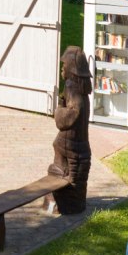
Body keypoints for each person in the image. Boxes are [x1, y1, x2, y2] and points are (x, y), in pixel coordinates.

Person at [50, 46, 92, 214]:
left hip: (69, 143)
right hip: (77, 143)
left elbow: (74, 112)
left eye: (64, 65)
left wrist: (59, 110)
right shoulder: (80, 88)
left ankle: (64, 203)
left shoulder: (71, 86)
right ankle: (66, 201)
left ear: (72, 68)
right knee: (69, 173)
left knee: (67, 173)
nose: (62, 68)